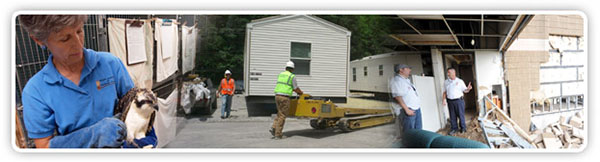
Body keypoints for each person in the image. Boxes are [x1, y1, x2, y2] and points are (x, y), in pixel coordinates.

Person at [19, 15, 156, 148]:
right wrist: (92, 136)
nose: (78, 44)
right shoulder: (35, 91)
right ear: (39, 40)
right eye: (64, 39)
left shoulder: (110, 64)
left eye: (79, 31)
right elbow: (44, 147)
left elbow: (134, 106)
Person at [269, 61, 303, 139]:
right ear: (292, 69)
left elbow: (284, 85)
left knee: (280, 113)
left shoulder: (281, 74)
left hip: (277, 96)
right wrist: (301, 93)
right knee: (283, 115)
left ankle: (274, 128)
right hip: (284, 97)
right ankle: (278, 134)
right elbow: (295, 88)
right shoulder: (292, 76)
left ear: (286, 68)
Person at [390, 64, 422, 136]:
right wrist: (407, 110)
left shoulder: (406, 80)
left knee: (419, 132)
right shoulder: (396, 81)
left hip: (416, 108)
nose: (410, 70)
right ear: (401, 70)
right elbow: (398, 96)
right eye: (408, 68)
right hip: (408, 110)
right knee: (410, 133)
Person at [442, 67, 473, 135]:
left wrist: (468, 89)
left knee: (460, 115)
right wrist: (443, 100)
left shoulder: (460, 81)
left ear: (454, 73)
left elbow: (465, 90)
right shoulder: (446, 82)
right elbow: (444, 92)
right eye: (448, 72)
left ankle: (463, 128)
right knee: (452, 116)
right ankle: (454, 129)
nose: (448, 74)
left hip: (459, 101)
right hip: (450, 101)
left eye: (449, 72)